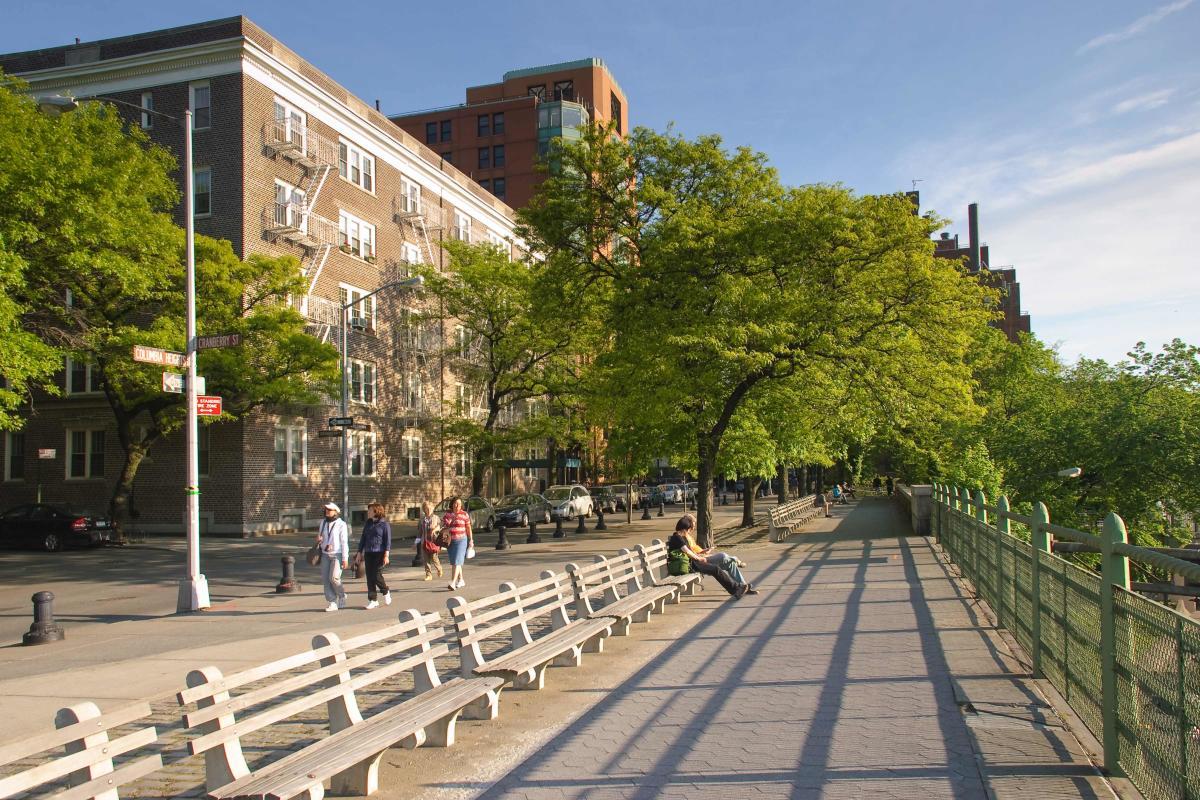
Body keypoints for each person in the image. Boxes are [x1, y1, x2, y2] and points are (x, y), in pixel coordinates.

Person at [667, 516, 753, 598]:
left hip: (690, 563)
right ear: (684, 528)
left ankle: (737, 589)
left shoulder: (680, 537)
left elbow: (690, 552)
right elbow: (687, 551)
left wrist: (701, 554)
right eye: (689, 529)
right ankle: (736, 589)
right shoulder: (677, 538)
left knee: (715, 569)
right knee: (715, 568)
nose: (689, 531)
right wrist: (699, 558)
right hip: (688, 566)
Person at [681, 524, 751, 585]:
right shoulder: (684, 538)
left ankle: (743, 585)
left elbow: (697, 550)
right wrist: (701, 556)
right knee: (722, 555)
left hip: (704, 556)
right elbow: (691, 554)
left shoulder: (689, 536)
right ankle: (736, 559)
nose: (694, 525)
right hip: (700, 561)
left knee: (731, 564)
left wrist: (705, 550)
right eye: (693, 523)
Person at [356, 501, 392, 609]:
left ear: (376, 511)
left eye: (370, 510)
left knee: (376, 575)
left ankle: (385, 591)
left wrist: (386, 555)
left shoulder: (384, 525)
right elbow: (363, 538)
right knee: (369, 577)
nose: (368, 512)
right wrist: (359, 553)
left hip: (379, 553)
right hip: (368, 552)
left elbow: (388, 541)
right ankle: (373, 599)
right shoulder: (368, 523)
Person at [316, 501, 349, 612]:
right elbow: (320, 537)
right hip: (325, 554)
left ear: (336, 512)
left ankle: (342, 594)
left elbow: (344, 542)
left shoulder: (341, 524)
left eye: (330, 510)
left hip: (337, 554)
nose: (327, 511)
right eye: (326, 509)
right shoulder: (323, 523)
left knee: (334, 578)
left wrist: (345, 558)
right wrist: (320, 540)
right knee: (326, 580)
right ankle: (332, 602)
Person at [441, 496, 474, 591]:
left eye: (459, 504)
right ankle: (461, 579)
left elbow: (468, 528)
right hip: (450, 541)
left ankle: (453, 582)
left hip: (461, 540)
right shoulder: (448, 514)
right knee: (455, 562)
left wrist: (471, 540)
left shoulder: (464, 514)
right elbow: (443, 527)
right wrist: (447, 524)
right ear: (452, 504)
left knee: (456, 561)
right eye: (455, 503)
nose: (457, 505)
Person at [417, 500, 444, 581]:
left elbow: (440, 527)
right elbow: (419, 533)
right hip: (424, 542)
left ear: (433, 509)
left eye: (430, 509)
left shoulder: (436, 518)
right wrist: (415, 543)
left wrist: (435, 529)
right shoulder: (422, 520)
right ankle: (428, 575)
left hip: (434, 542)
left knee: (434, 558)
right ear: (424, 509)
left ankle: (439, 569)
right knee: (426, 560)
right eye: (426, 509)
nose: (428, 510)